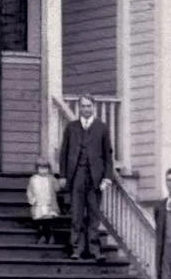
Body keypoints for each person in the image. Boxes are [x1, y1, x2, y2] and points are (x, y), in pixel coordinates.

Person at [58, 94, 114, 260]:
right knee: (76, 214)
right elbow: (64, 153)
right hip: (76, 175)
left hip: (95, 177)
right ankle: (76, 249)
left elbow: (108, 155)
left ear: (93, 107)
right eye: (83, 106)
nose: (86, 109)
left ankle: (95, 250)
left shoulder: (102, 128)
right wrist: (62, 175)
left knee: (94, 214)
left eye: (89, 106)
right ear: (79, 107)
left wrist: (107, 177)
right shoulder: (71, 127)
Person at [24, 160, 60, 238]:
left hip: (49, 203)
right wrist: (32, 200)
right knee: (40, 220)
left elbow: (57, 188)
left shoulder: (51, 178)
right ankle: (42, 235)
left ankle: (51, 236)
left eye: (45, 168)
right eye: (41, 168)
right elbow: (30, 190)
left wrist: (57, 183)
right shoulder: (34, 179)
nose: (43, 170)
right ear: (37, 169)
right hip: (39, 203)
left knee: (49, 220)